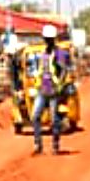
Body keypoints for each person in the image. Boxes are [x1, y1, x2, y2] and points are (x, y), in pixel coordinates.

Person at [32, 25, 66, 155]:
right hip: (42, 89)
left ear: (54, 39)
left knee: (54, 119)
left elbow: (64, 69)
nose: (48, 41)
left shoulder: (59, 53)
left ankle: (55, 144)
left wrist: (59, 85)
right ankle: (37, 144)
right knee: (35, 116)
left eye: (50, 39)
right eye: (46, 38)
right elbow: (40, 69)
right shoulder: (43, 53)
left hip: (53, 91)